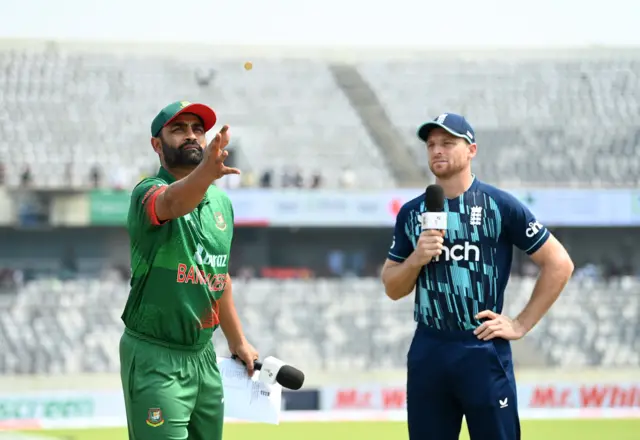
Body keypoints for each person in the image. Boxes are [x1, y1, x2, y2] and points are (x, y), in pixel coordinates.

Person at [381, 113, 574, 440]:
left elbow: (559, 263)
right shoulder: (413, 213)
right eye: (431, 145)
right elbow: (392, 287)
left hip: (481, 346)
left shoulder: (500, 205)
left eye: (447, 143)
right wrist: (417, 258)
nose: (437, 151)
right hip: (429, 346)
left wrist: (520, 323)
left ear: (471, 150)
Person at [119, 101, 258, 440]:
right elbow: (173, 203)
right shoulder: (147, 192)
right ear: (157, 144)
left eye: (198, 129)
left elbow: (218, 277)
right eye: (178, 129)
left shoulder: (222, 204)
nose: (192, 136)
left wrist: (237, 340)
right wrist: (207, 173)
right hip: (156, 355)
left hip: (203, 357)